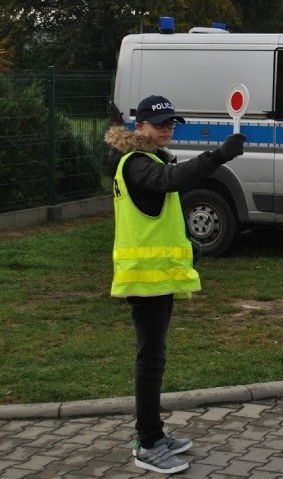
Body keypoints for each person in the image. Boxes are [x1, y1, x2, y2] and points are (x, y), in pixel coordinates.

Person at [104, 95, 245, 474]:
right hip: (144, 279)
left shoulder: (148, 159)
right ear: (140, 126)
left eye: (171, 123)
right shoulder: (135, 163)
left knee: (155, 358)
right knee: (149, 361)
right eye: (159, 123)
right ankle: (147, 443)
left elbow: (159, 210)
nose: (167, 128)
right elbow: (169, 183)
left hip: (156, 277)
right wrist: (218, 156)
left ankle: (154, 433)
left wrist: (190, 244)